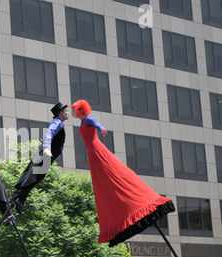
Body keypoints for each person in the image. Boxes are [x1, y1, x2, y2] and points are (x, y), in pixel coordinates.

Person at [71, 99, 175, 247]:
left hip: (96, 149)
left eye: (74, 109)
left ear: (81, 110)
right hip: (92, 154)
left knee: (111, 171)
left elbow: (96, 124)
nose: (73, 112)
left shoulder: (88, 119)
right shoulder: (82, 123)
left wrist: (102, 129)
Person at [10, 102, 69, 213]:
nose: (67, 112)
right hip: (46, 153)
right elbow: (48, 133)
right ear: (60, 113)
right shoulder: (57, 122)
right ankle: (17, 198)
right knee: (34, 176)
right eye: (65, 111)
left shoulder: (60, 123)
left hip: (46, 154)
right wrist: (47, 148)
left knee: (35, 176)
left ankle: (19, 200)